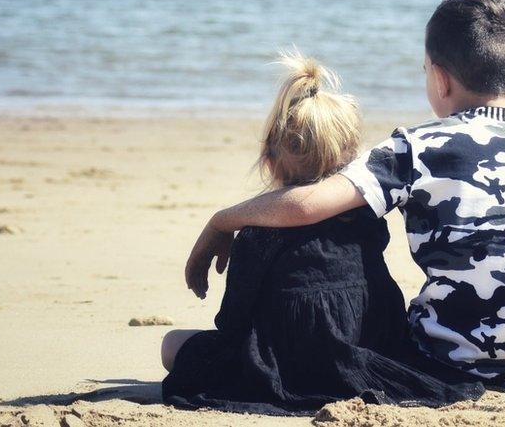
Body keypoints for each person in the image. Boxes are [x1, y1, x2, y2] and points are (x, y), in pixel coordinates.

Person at [185, 0, 505, 390]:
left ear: (439, 78)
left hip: (447, 364)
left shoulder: (416, 148)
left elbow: (307, 206)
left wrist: (223, 221)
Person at [161, 51, 485, 415]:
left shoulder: (256, 233)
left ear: (269, 159)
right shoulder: (366, 220)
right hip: (362, 354)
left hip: (285, 365)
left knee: (172, 346)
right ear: (353, 161)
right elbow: (378, 298)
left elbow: (233, 323)